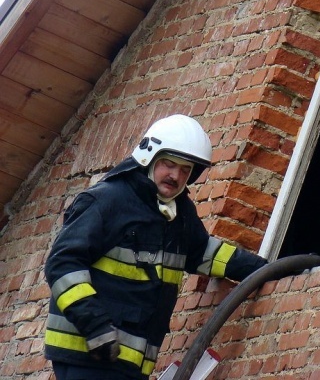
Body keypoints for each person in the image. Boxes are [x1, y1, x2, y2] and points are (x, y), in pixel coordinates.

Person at [44, 114, 269, 380]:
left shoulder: (179, 214)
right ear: (148, 158)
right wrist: (94, 326)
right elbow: (62, 263)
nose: (176, 176)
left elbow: (204, 254)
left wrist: (267, 269)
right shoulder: (108, 200)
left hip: (129, 364)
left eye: (185, 170)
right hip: (88, 355)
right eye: (169, 164)